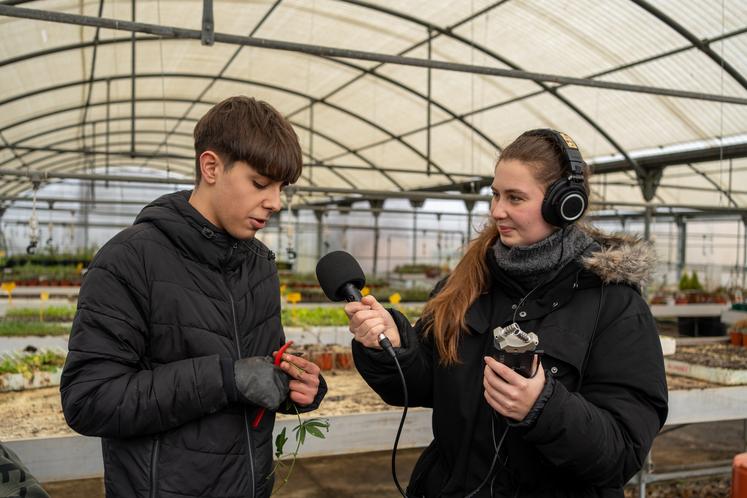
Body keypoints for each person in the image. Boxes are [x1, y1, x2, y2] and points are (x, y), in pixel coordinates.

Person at [345, 129, 668, 497]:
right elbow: (425, 383)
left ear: (565, 204)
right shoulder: (467, 283)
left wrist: (542, 408)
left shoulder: (613, 306)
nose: (498, 211)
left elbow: (622, 452)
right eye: (496, 195)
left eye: (515, 198)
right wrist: (394, 346)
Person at [60, 96, 327, 498]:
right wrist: (223, 378)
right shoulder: (130, 259)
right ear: (211, 167)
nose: (274, 202)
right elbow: (89, 399)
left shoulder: (258, 266)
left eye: (280, 188)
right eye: (260, 183)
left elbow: (258, 373)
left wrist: (293, 388)